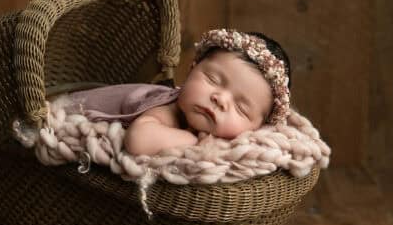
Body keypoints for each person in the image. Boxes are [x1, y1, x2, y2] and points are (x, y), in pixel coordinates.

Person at [69, 28, 292, 157]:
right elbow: (138, 140)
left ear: (258, 128)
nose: (220, 99)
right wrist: (194, 140)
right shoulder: (169, 110)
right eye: (212, 79)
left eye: (241, 108)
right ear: (192, 69)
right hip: (69, 109)